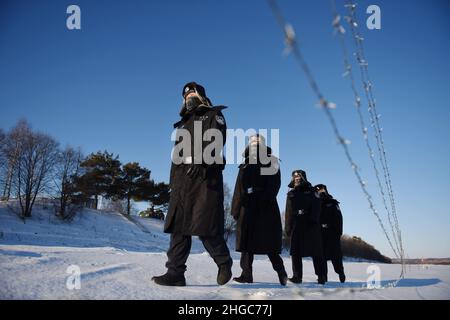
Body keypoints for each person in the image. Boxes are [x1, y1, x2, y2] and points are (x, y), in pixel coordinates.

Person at [152, 82, 232, 287]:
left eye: (192, 94)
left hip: (205, 179)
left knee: (205, 227)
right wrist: (173, 182)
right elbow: (176, 157)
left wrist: (200, 160)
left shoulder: (214, 114)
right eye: (185, 96)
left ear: (201, 96)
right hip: (182, 183)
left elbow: (217, 139)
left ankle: (224, 262)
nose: (188, 98)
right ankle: (175, 273)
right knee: (178, 229)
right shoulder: (183, 124)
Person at [231, 134, 288, 285]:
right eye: (252, 143)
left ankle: (281, 272)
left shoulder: (271, 160)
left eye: (258, 142)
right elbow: (239, 188)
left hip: (265, 207)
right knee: (246, 241)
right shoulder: (245, 164)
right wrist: (235, 209)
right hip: (247, 205)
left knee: (268, 242)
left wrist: (265, 199)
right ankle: (246, 275)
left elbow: (275, 183)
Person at [285, 170, 327, 285]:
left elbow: (317, 206)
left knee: (316, 251)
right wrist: (288, 227)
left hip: (310, 224)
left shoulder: (313, 191)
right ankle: (297, 276)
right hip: (296, 223)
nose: (297, 179)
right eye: (295, 177)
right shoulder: (291, 193)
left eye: (299, 177)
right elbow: (288, 211)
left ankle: (321, 276)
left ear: (303, 177)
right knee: (295, 251)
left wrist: (313, 220)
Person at [315, 184, 346, 283]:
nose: (320, 192)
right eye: (318, 191)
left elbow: (339, 219)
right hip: (320, 234)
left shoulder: (333, 203)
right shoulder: (315, 204)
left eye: (322, 190)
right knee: (321, 256)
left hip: (332, 234)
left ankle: (340, 273)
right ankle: (323, 277)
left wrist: (338, 233)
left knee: (335, 256)